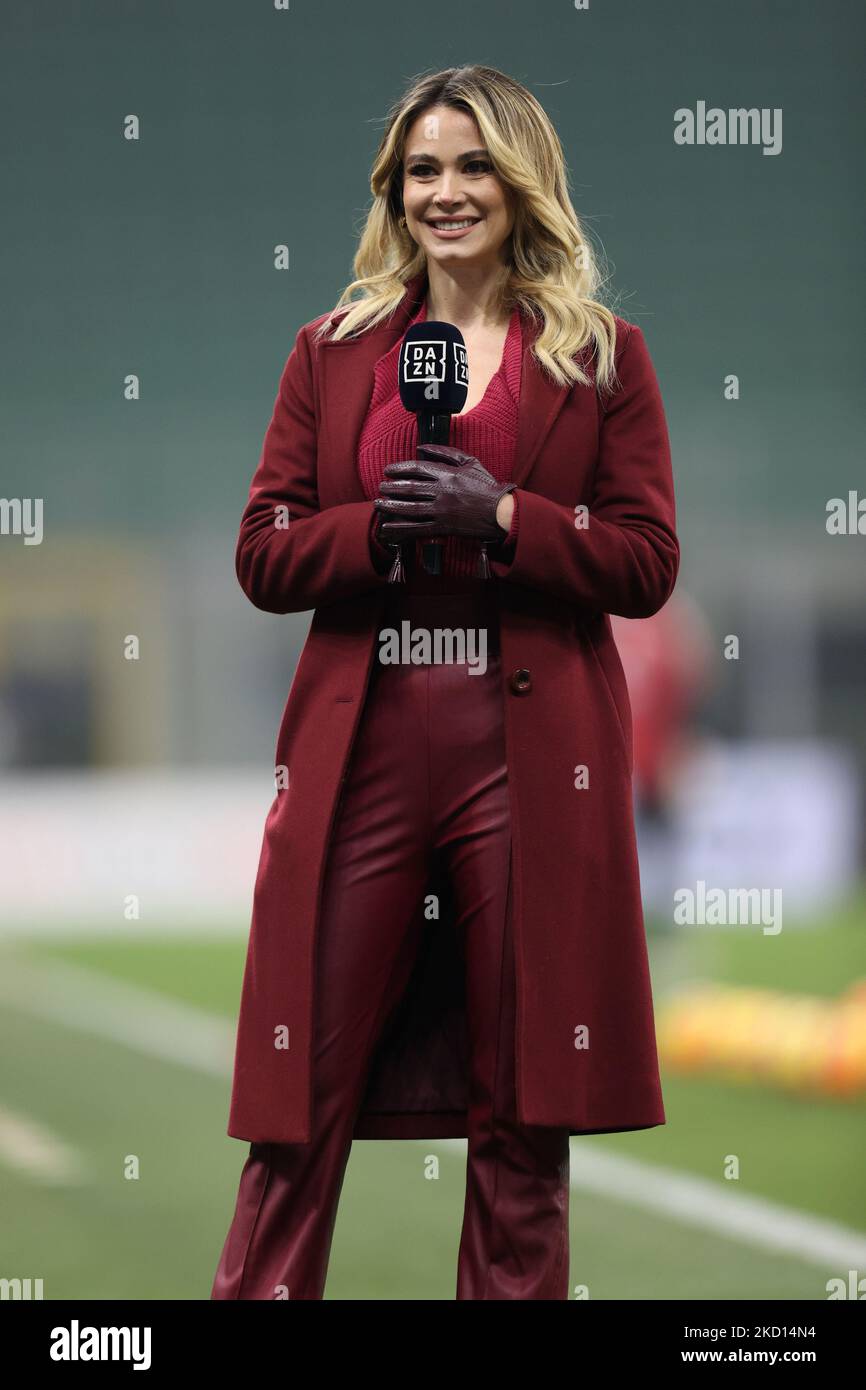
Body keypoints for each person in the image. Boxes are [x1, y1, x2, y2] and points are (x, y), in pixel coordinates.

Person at [211, 63, 679, 1301]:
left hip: (526, 760)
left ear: (520, 183)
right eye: (422, 169)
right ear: (394, 191)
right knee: (296, 1090)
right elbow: (263, 550)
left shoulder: (602, 357)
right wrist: (374, 532)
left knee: (522, 1107)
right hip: (361, 746)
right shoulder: (330, 350)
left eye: (473, 166)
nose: (446, 192)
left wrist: (508, 512)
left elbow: (644, 563)